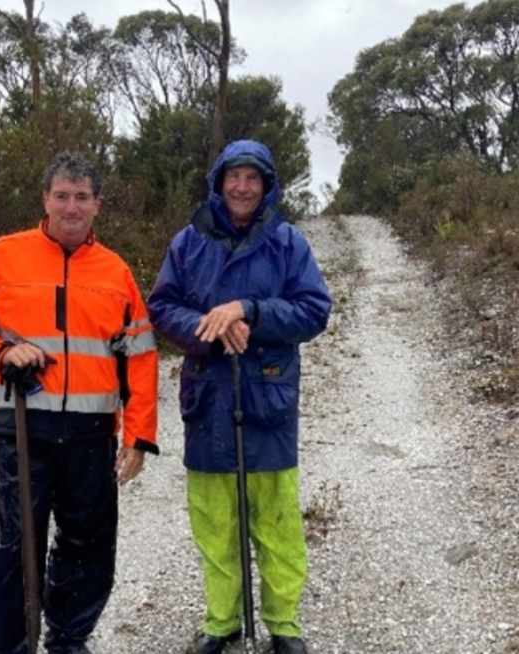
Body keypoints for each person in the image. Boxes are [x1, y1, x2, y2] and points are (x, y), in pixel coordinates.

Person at [0, 152, 159, 654]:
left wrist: (139, 437)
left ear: (97, 205)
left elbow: (141, 358)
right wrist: (0, 351)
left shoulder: (116, 272)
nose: (71, 207)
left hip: (91, 435)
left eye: (82, 197)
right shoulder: (2, 255)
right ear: (45, 200)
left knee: (88, 549)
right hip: (21, 431)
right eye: (62, 195)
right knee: (16, 549)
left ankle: (67, 641)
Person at [147, 139, 331, 654]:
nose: (243, 187)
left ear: (267, 185)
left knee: (277, 523)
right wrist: (212, 326)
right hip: (208, 400)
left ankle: (284, 624)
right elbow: (162, 308)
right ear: (219, 181)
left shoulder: (289, 242)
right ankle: (221, 621)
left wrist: (248, 310)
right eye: (235, 177)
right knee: (214, 524)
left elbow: (314, 310)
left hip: (268, 398)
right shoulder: (188, 242)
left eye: (253, 178)